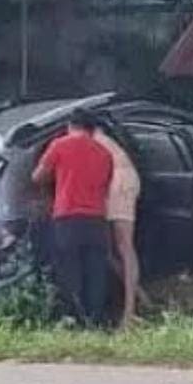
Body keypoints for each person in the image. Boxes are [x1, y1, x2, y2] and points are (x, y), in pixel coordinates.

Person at [32, 110, 114, 328]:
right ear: (92, 129)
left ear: (70, 125)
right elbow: (105, 185)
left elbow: (38, 176)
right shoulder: (105, 153)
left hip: (68, 217)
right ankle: (95, 319)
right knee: (96, 272)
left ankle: (74, 319)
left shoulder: (60, 145)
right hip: (97, 219)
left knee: (69, 269)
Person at [92, 127, 143, 327]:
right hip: (117, 181)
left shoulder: (93, 140)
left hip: (120, 183)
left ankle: (130, 313)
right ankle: (138, 296)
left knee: (124, 246)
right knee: (110, 248)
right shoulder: (100, 139)